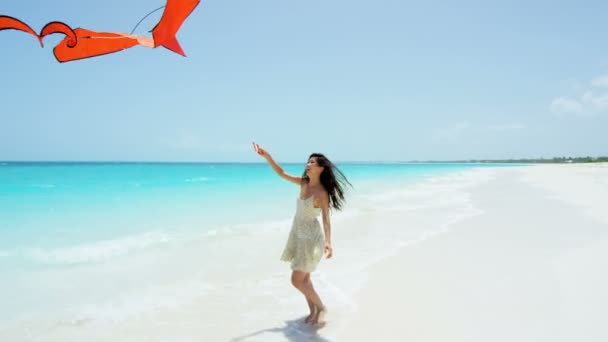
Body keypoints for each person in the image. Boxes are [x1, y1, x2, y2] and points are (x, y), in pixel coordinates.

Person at [253, 142, 352, 325]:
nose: (308, 164)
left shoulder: (322, 193)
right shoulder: (303, 182)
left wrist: (328, 243)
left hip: (311, 239)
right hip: (298, 235)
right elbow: (281, 173)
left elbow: (326, 220)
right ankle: (313, 310)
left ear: (321, 168)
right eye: (308, 161)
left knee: (296, 280)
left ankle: (321, 307)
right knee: (305, 279)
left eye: (313, 162)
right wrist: (266, 156)